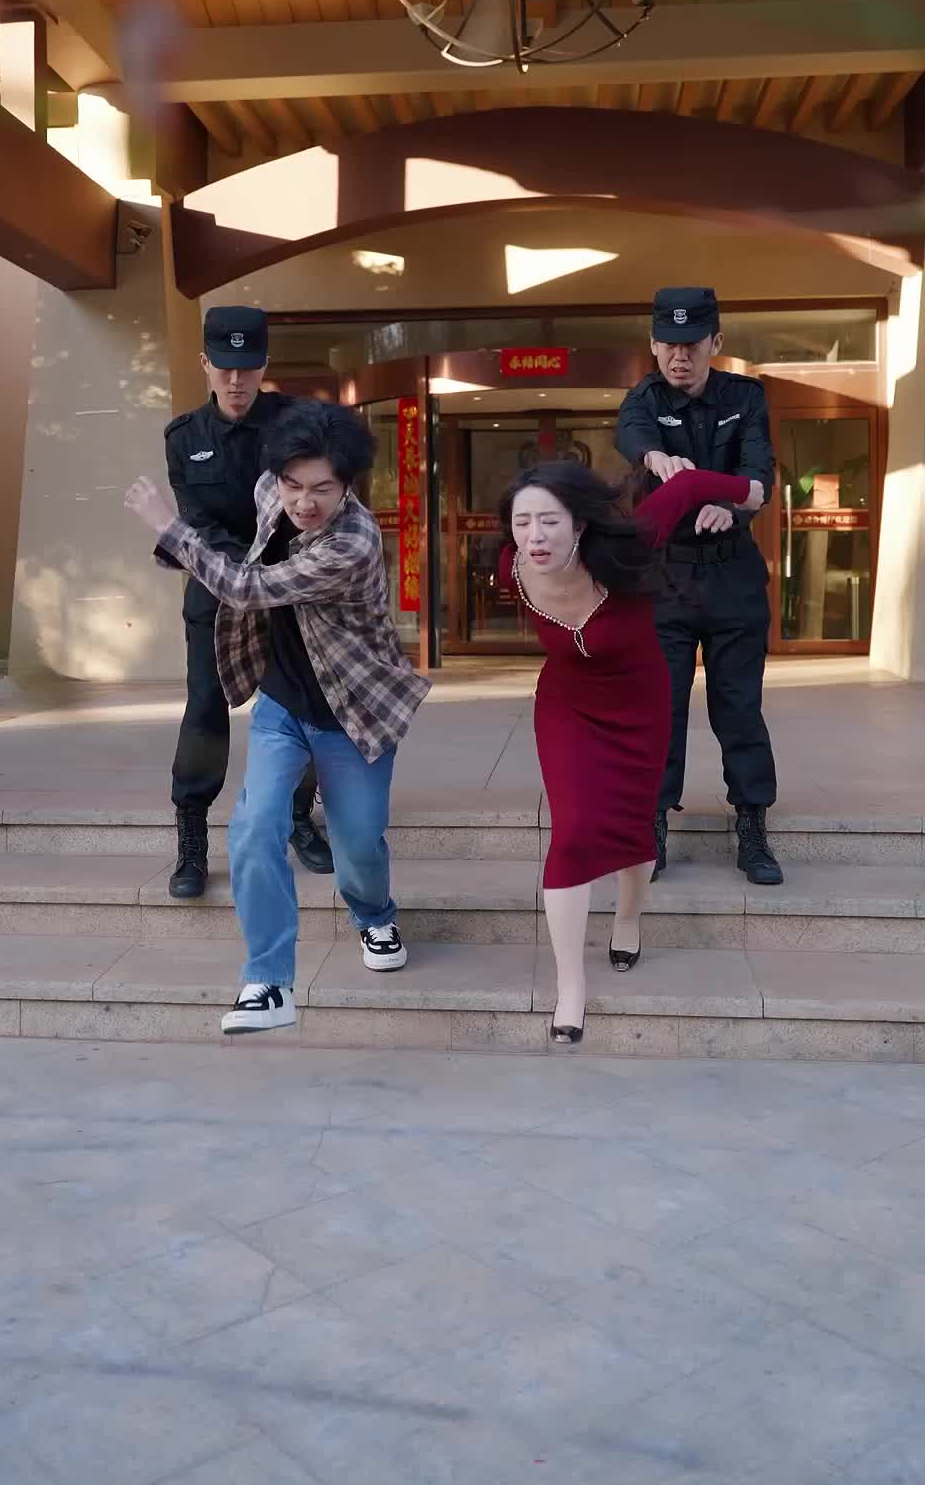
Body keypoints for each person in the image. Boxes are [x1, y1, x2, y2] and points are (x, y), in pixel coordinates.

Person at [127, 399, 430, 1035]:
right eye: (294, 486)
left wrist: (168, 528)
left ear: (347, 486)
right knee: (254, 826)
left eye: (322, 489)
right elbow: (240, 526)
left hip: (352, 710)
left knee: (357, 846)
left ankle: (375, 916)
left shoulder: (352, 542)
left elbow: (247, 588)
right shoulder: (271, 488)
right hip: (283, 704)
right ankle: (268, 981)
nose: (303, 502)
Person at [500, 458, 764, 1045]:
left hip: (639, 706)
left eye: (549, 521)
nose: (534, 536)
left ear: (579, 523)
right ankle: (571, 985)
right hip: (566, 705)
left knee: (634, 829)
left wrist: (749, 492)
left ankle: (627, 916)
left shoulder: (629, 545)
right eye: (522, 523)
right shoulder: (512, 565)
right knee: (573, 834)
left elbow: (687, 486)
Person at [160, 305, 332, 897]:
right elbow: (196, 521)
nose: (237, 380)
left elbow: (317, 503)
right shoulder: (185, 438)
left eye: (249, 367)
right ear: (205, 364)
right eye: (225, 367)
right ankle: (191, 837)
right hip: (215, 591)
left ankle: (297, 816)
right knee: (206, 709)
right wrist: (243, 568)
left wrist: (275, 574)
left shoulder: (298, 424)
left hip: (290, 590)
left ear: (264, 365)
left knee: (302, 702)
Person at [615, 287, 783, 887]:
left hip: (733, 572)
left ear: (716, 342)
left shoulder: (745, 397)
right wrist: (656, 460)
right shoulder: (644, 397)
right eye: (668, 344)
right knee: (660, 706)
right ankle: (652, 822)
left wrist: (731, 506)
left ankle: (753, 825)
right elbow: (631, 434)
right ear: (653, 344)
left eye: (691, 345)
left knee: (738, 705)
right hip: (667, 576)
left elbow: (759, 473)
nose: (679, 357)